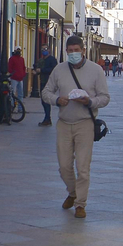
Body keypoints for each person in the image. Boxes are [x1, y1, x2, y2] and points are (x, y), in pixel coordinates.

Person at [41, 34, 111, 219]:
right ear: (66, 51)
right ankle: (72, 193)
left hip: (85, 124)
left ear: (83, 51)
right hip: (64, 123)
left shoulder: (96, 71)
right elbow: (46, 92)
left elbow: (105, 98)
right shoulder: (59, 69)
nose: (73, 54)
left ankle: (80, 204)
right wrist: (57, 100)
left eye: (76, 51)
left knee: (83, 167)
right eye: (70, 51)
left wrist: (90, 101)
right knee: (64, 166)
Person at [36, 46, 58, 125]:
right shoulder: (42, 60)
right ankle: (47, 118)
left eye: (45, 49)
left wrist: (42, 70)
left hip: (49, 82)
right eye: (42, 49)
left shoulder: (52, 60)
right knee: (43, 100)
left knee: (46, 100)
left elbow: (53, 70)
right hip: (43, 81)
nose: (43, 51)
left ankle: (47, 119)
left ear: (49, 50)